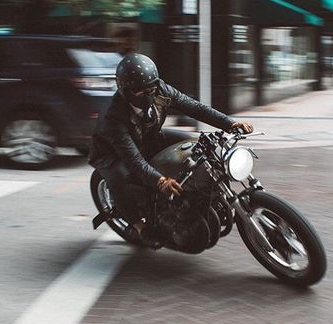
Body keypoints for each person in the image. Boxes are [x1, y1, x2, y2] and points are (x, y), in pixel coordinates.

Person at [89, 53, 253, 248]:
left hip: (148, 137)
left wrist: (230, 124)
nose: (149, 94)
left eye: (151, 88)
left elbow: (194, 107)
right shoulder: (113, 118)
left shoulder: (161, 90)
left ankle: (202, 196)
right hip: (112, 154)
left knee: (196, 145)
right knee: (120, 177)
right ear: (125, 91)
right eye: (141, 92)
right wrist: (160, 181)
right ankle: (139, 227)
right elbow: (133, 159)